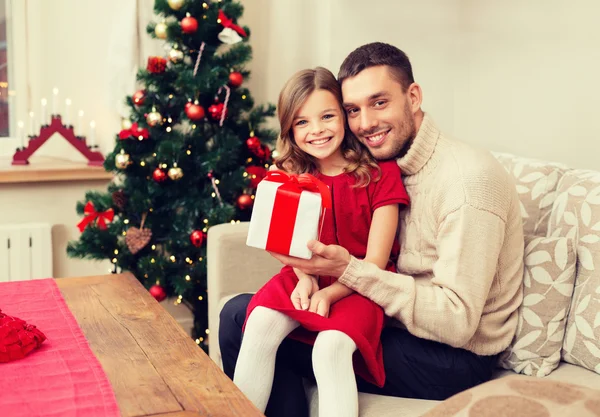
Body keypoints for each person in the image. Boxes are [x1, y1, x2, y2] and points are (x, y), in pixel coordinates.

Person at [220, 42, 525, 417]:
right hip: (392, 316)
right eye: (353, 110)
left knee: (240, 319)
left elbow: (456, 323)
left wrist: (345, 276)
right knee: (246, 313)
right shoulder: (384, 159)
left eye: (379, 103)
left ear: (413, 96)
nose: (365, 124)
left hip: (450, 356)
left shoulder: (467, 183)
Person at [233, 66, 409, 417]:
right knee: (258, 325)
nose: (316, 130)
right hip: (306, 275)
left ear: (344, 117)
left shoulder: (380, 173)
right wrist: (305, 278)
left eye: (327, 116)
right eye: (302, 122)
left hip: (361, 285)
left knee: (330, 348)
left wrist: (329, 292)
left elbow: (375, 263)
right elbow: (280, 243)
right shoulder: (289, 178)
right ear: (289, 128)